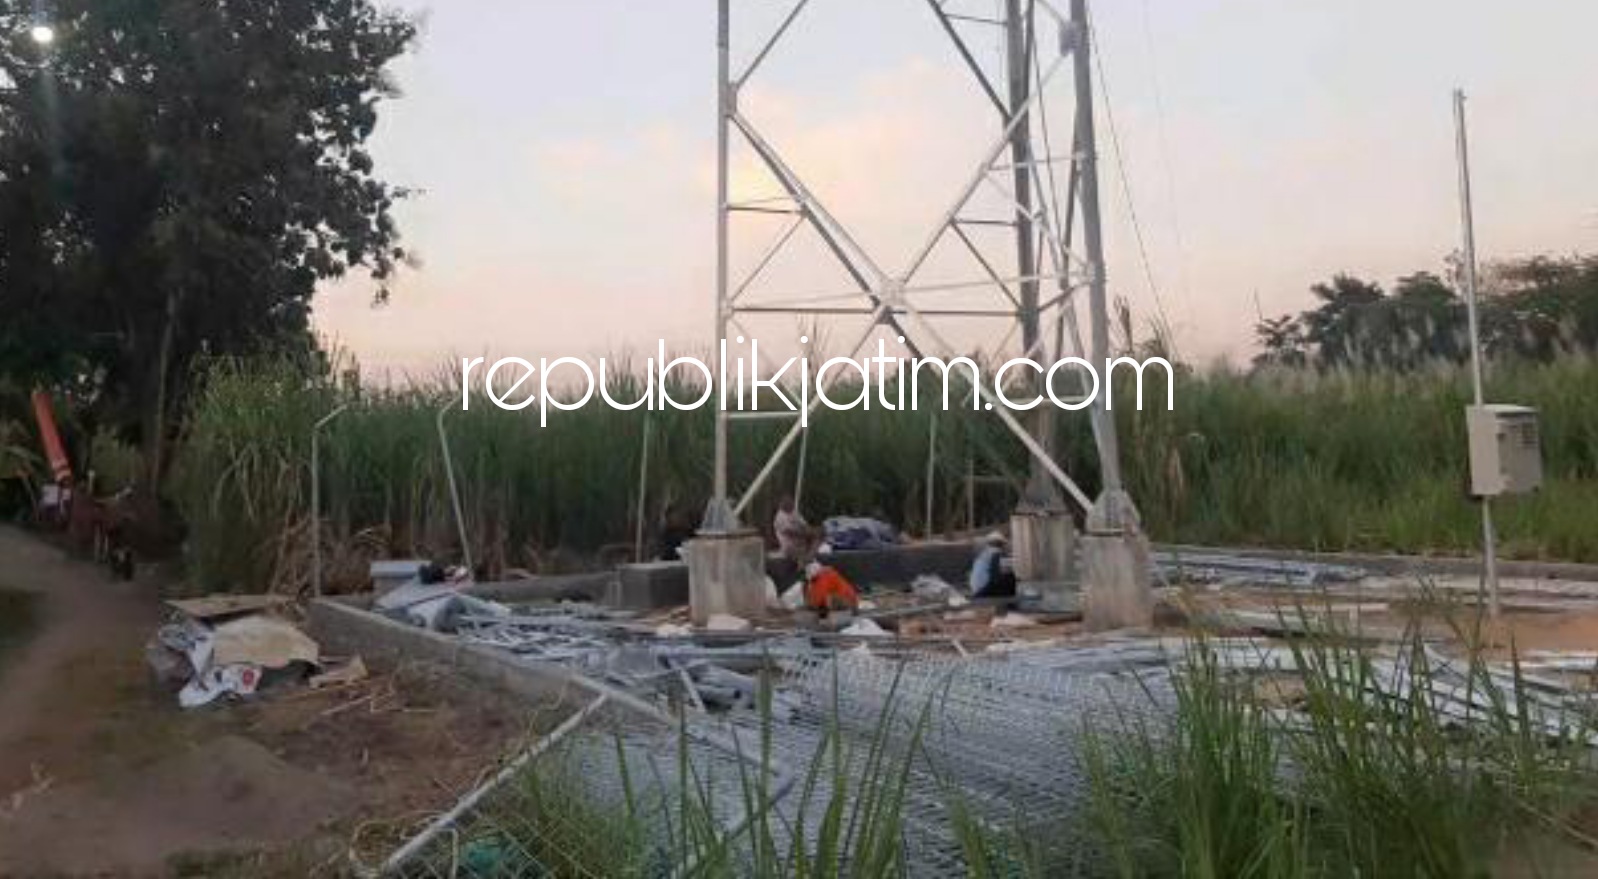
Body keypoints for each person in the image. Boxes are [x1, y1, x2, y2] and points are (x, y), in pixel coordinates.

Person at [968, 532, 1016, 598]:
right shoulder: (997, 554)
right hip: (985, 591)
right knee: (1010, 577)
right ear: (1001, 544)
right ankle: (1010, 601)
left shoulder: (982, 555)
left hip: (976, 589)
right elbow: (995, 578)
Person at [773, 495, 815, 565]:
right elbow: (791, 532)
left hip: (800, 543)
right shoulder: (780, 517)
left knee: (817, 536)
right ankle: (802, 564)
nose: (791, 505)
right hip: (789, 546)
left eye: (791, 502)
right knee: (796, 550)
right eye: (788, 503)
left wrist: (810, 530)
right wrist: (807, 533)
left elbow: (803, 523)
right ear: (782, 504)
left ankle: (810, 559)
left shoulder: (794, 512)